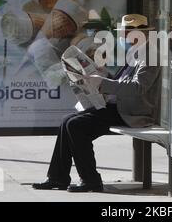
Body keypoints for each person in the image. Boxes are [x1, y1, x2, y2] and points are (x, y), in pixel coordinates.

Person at [32, 14, 161, 192]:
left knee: (76, 126)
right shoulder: (136, 53)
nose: (123, 37)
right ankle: (57, 177)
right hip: (117, 107)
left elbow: (137, 88)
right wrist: (102, 74)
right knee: (67, 121)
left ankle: (90, 180)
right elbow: (120, 82)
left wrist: (102, 83)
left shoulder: (150, 56)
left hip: (130, 113)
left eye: (126, 33)